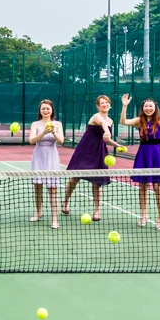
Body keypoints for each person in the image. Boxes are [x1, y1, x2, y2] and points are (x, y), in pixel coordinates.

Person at [121, 87, 160, 229]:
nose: (148, 108)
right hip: (143, 154)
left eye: (151, 106)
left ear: (155, 108)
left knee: (157, 187)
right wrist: (124, 106)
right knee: (142, 187)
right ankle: (144, 215)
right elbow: (123, 121)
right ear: (143, 108)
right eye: (146, 106)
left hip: (157, 155)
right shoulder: (139, 121)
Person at [62, 95, 128, 222]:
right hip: (85, 150)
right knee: (75, 178)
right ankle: (65, 202)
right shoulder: (96, 117)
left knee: (97, 183)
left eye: (107, 102)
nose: (105, 104)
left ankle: (97, 210)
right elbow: (103, 124)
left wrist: (117, 145)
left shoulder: (110, 121)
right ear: (98, 106)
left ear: (110, 105)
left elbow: (106, 138)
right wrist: (107, 132)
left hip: (99, 151)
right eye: (102, 103)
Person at [26, 99, 65, 229]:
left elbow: (61, 141)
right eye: (43, 108)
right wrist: (43, 132)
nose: (45, 110)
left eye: (48, 108)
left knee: (53, 189)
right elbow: (31, 141)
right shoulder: (35, 124)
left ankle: (55, 219)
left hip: (52, 157)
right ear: (40, 111)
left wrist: (53, 131)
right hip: (38, 157)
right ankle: (38, 212)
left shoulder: (57, 124)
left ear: (52, 110)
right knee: (37, 187)